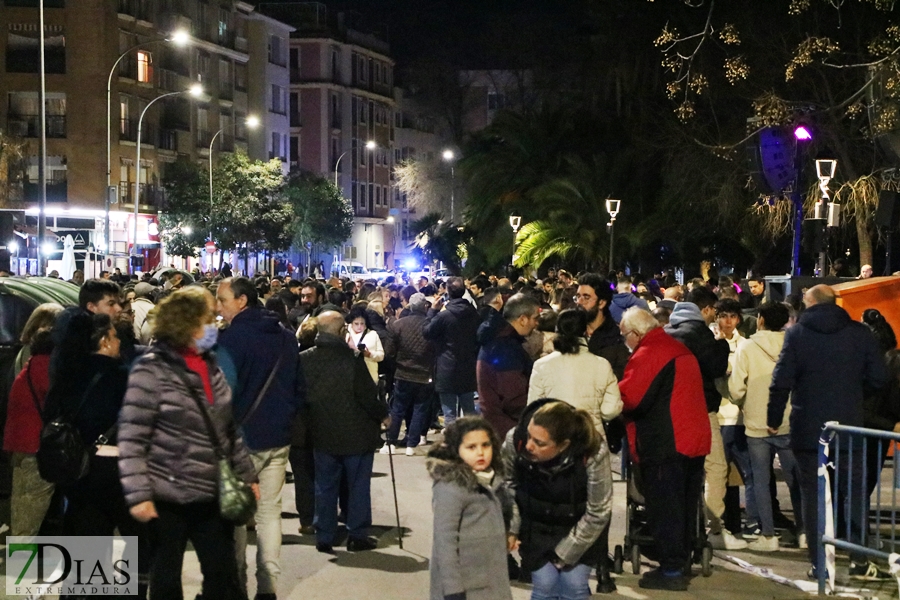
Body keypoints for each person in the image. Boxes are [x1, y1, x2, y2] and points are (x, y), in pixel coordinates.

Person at [119, 286, 258, 600]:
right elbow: (132, 437)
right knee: (166, 578)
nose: (215, 324)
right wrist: (139, 493)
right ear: (188, 324)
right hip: (166, 494)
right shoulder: (151, 369)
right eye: (208, 319)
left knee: (221, 575)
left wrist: (248, 474)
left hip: (211, 490)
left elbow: (227, 425)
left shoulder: (209, 364)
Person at [768, 284, 887, 579]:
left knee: (814, 495)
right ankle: (860, 560)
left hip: (808, 427)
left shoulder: (796, 335)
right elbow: (879, 377)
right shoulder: (860, 333)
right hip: (849, 426)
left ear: (808, 304)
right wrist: (854, 399)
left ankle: (820, 563)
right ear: (836, 302)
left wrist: (773, 415)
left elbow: (781, 379)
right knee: (854, 494)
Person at [216, 276, 304, 600]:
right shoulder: (285, 338)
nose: (217, 307)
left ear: (241, 301)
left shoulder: (228, 341)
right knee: (269, 514)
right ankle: (267, 588)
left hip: (239, 442)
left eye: (222, 300)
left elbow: (220, 397)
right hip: (277, 437)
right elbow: (298, 388)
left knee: (237, 516)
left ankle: (236, 585)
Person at [527, 308, 622, 593]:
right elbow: (612, 407)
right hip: (592, 443)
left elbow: (533, 407)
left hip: (553, 445)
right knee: (595, 508)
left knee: (554, 508)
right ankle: (602, 573)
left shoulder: (543, 366)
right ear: (586, 332)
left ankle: (551, 565)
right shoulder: (601, 364)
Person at [618, 307, 711, 591]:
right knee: (685, 505)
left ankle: (670, 570)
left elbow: (630, 398)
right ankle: (680, 562)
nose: (626, 342)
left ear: (635, 334)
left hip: (668, 442)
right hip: (693, 439)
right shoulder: (676, 348)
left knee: (665, 508)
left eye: (625, 337)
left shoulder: (651, 353)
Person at [503, 400, 612, 600]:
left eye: (540, 443)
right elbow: (507, 484)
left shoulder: (593, 451)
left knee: (573, 585)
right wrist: (513, 528)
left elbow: (599, 511)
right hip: (536, 524)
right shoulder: (515, 441)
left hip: (580, 527)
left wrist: (565, 553)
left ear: (563, 446)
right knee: (545, 585)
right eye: (529, 436)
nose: (529, 445)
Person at [300, 311, 388, 554]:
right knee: (357, 486)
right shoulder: (352, 359)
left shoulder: (305, 359)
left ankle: (324, 534)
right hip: (356, 433)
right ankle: (357, 534)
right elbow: (367, 396)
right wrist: (384, 414)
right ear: (342, 332)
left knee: (325, 485)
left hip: (321, 432)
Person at [664, 286, 737, 549]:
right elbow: (716, 367)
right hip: (701, 410)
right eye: (714, 312)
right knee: (715, 467)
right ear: (705, 310)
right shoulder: (701, 334)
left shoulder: (666, 331)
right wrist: (722, 345)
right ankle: (714, 527)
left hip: (667, 412)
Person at [728, 301, 802, 552]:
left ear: (760, 319)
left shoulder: (747, 347)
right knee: (795, 479)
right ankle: (803, 531)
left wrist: (744, 402)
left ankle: (768, 535)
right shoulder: (794, 344)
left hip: (756, 423)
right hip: (789, 421)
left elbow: (737, 388)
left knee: (760, 479)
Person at [427, 417, 512, 600]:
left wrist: (511, 531)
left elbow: (505, 509)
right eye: (471, 447)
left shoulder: (492, 478)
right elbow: (444, 540)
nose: (481, 453)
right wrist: (453, 589)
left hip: (492, 578)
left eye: (485, 445)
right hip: (464, 585)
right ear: (456, 450)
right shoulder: (451, 487)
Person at [3, 307, 61, 537]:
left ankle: (21, 563)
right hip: (35, 445)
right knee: (29, 510)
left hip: (20, 442)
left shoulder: (28, 365)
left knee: (22, 504)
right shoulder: (46, 370)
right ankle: (21, 567)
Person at [477, 293, 540, 439]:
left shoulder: (498, 340)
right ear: (523, 319)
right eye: (535, 318)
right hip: (506, 429)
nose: (537, 323)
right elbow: (513, 397)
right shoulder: (505, 347)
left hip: (498, 426)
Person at [423, 276, 481, 426]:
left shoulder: (444, 316)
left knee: (449, 415)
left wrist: (432, 312)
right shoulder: (474, 313)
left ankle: (452, 444)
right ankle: (472, 441)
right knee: (469, 412)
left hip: (446, 366)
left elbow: (427, 332)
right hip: (468, 366)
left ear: (448, 292)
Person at [384, 292, 436, 455]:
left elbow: (389, 352)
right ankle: (411, 445)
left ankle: (391, 442)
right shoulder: (430, 326)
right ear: (424, 307)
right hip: (424, 373)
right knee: (420, 409)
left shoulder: (398, 325)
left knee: (398, 408)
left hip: (403, 372)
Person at [574, 273, 629, 380]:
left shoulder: (618, 338)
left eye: (586, 297)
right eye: (578, 296)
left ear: (602, 303)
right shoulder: (571, 332)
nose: (579, 302)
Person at [345, 304, 385, 384]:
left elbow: (381, 356)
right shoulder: (346, 334)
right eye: (356, 323)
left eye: (362, 323)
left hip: (369, 374)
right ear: (351, 323)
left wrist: (370, 354)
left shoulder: (373, 334)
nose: (359, 326)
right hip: (350, 375)